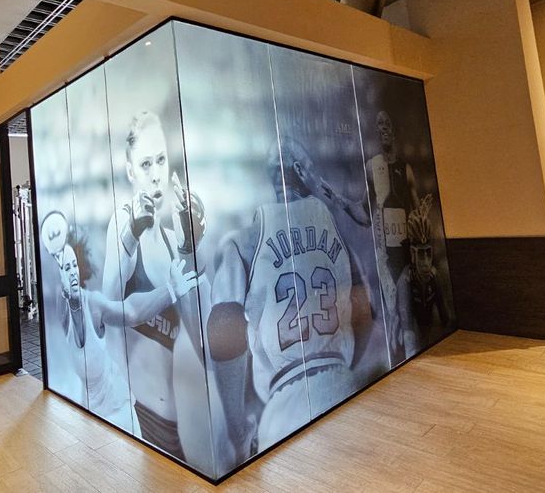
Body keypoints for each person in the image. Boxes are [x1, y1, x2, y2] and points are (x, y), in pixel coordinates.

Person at [207, 137, 376, 465]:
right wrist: (344, 373)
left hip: (284, 402)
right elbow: (364, 310)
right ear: (300, 170)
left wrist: (237, 428)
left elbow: (223, 325)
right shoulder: (335, 229)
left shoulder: (244, 240)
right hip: (341, 380)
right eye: (313, 168)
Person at [101, 111, 207, 463]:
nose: (156, 173)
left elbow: (201, 337)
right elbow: (109, 311)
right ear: (131, 171)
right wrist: (131, 235)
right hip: (135, 417)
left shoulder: (173, 239)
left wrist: (190, 248)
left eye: (160, 160)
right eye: (145, 164)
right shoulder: (122, 222)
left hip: (175, 428)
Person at [40, 211, 198, 429]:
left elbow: (131, 311)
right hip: (95, 414)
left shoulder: (93, 305)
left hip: (120, 412)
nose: (73, 272)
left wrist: (171, 290)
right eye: (67, 268)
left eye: (74, 265)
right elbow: (55, 284)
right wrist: (58, 251)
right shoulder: (63, 312)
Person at [364, 110, 419, 363]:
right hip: (383, 254)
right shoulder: (371, 168)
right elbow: (364, 210)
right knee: (389, 316)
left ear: (393, 131)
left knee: (406, 312)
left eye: (387, 123)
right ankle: (394, 363)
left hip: (403, 253)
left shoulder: (405, 169)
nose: (383, 128)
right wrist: (341, 202)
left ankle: (413, 358)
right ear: (376, 132)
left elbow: (418, 214)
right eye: (379, 124)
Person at [396, 195, 449, 357]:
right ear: (413, 254)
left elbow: (444, 315)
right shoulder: (405, 281)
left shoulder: (434, 276)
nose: (426, 262)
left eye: (428, 253)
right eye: (420, 254)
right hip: (407, 339)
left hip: (428, 336)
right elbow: (407, 326)